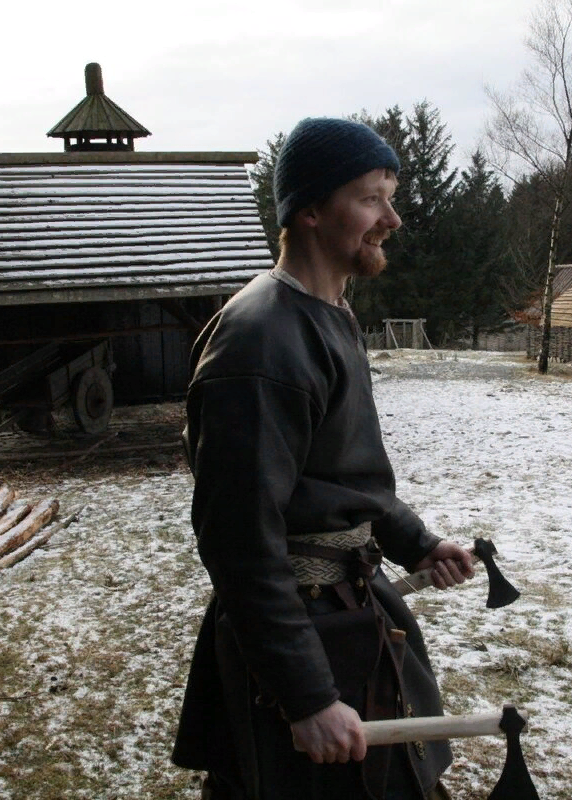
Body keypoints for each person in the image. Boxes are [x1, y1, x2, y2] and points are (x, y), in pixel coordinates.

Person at [171, 117, 474, 800]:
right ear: (308, 210)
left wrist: (416, 544)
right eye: (371, 198)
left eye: (390, 197)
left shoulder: (329, 313)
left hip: (347, 614)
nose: (391, 218)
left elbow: (344, 475)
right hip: (301, 632)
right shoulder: (260, 343)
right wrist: (305, 696)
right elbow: (240, 539)